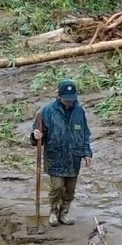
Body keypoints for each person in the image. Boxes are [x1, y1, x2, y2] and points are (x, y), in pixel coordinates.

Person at [31, 79, 93, 225]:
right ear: (59, 96)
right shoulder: (47, 111)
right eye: (66, 100)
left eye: (71, 100)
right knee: (57, 187)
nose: (69, 102)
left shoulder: (79, 111)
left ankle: (64, 213)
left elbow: (85, 134)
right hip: (55, 156)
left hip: (73, 157)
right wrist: (36, 135)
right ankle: (53, 211)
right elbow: (37, 132)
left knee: (70, 189)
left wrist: (87, 152)